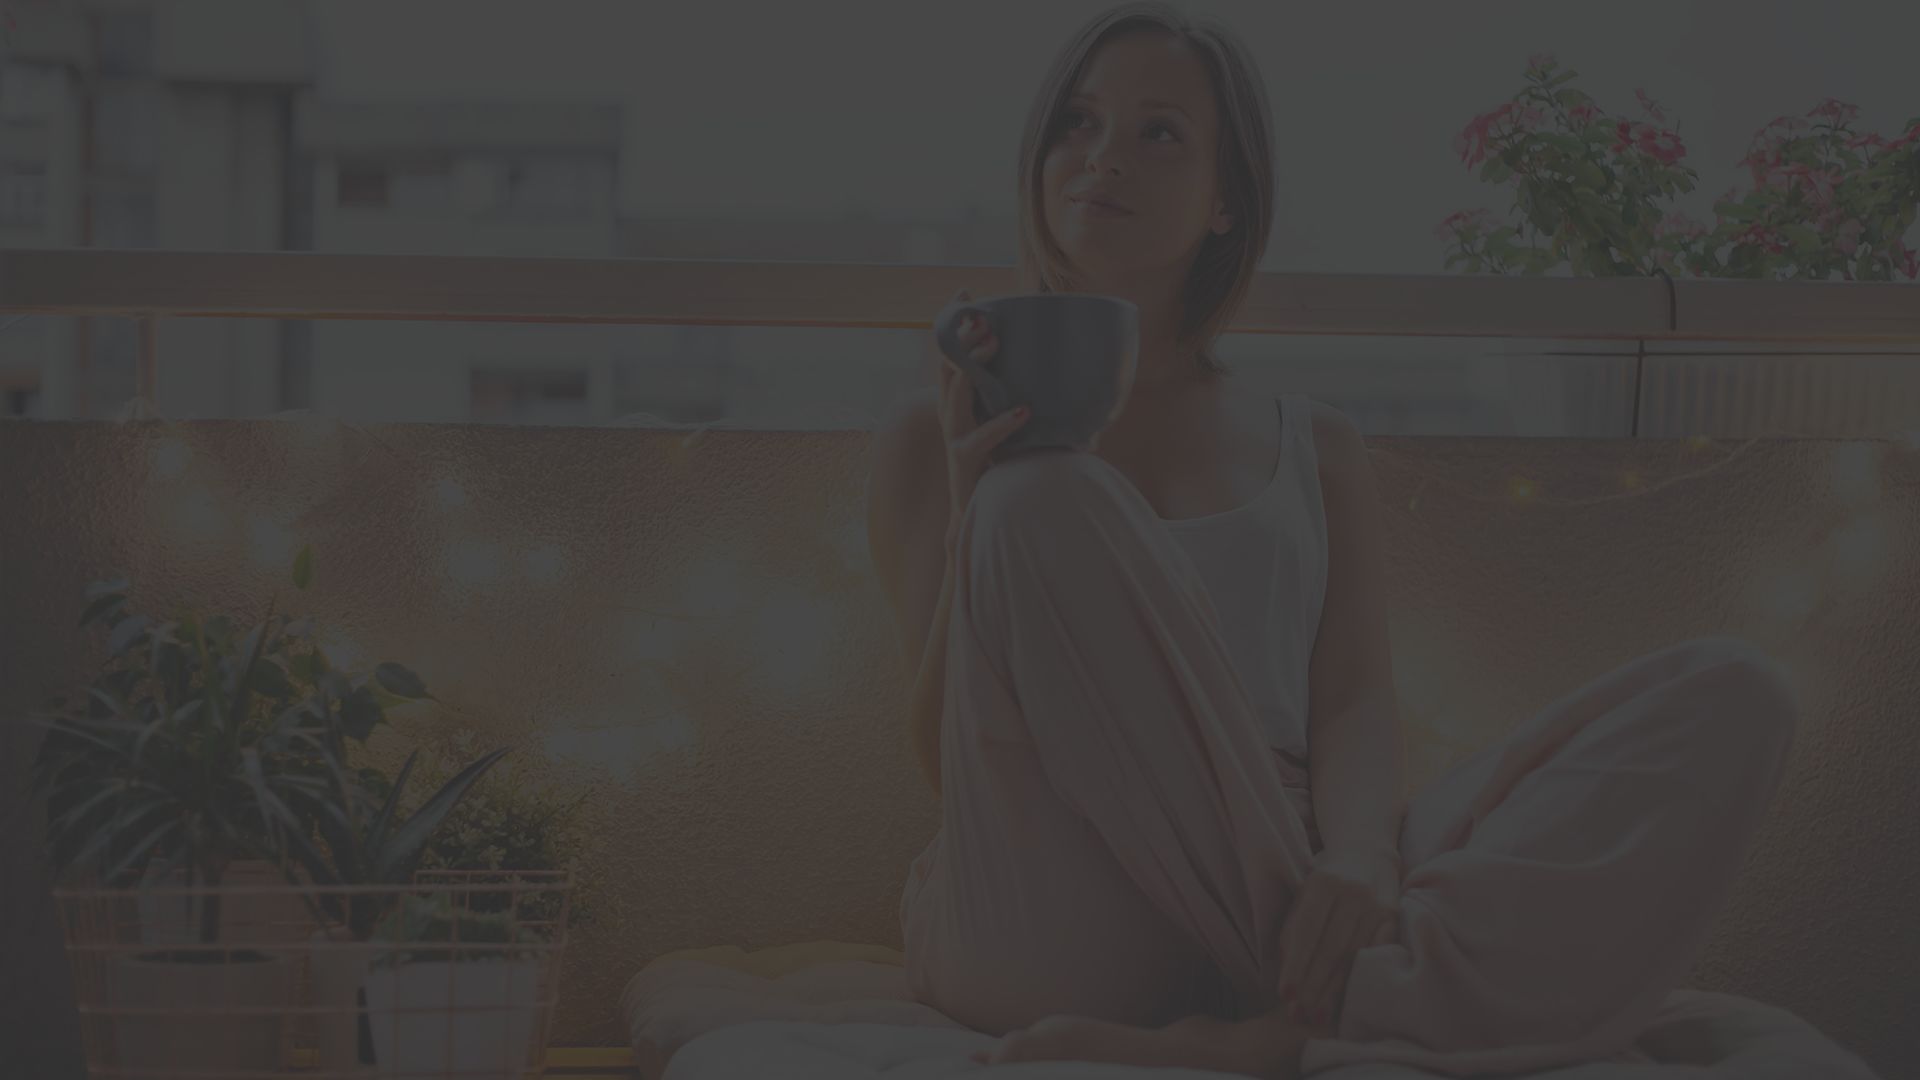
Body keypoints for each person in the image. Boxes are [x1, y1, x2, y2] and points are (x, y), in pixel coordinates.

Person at [864, 5, 1799, 1077]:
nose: (1102, 155)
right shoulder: (938, 438)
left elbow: (1353, 705)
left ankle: (1275, 1025)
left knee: (1736, 691)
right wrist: (974, 493)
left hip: (1290, 857)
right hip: (1053, 893)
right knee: (1042, 500)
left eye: (1157, 131)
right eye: (1077, 123)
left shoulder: (1318, 446)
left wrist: (1359, 861)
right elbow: (946, 760)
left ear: (1227, 198)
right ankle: (1355, 995)